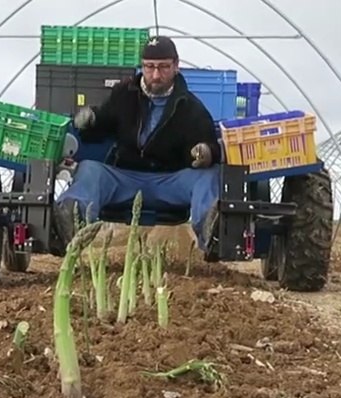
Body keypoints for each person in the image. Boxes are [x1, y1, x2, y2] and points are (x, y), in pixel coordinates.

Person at [54, 35, 223, 255]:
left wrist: (207, 152)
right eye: (149, 67)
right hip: (124, 177)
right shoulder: (124, 94)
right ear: (142, 66)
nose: (155, 75)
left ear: (176, 66)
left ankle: (212, 230)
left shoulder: (191, 108)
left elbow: (210, 143)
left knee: (208, 175)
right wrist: (91, 118)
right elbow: (104, 120)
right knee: (90, 169)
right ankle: (71, 218)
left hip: (169, 181)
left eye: (163, 67)